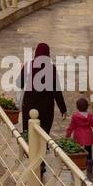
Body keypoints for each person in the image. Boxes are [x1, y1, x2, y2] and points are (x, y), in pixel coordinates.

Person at [18, 42, 67, 176]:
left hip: (29, 107)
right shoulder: (51, 69)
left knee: (30, 135)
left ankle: (33, 163)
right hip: (46, 110)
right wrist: (63, 108)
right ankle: (40, 163)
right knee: (42, 136)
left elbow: (19, 83)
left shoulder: (28, 66)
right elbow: (57, 91)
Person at [66, 96, 93, 178]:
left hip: (78, 137)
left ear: (77, 107)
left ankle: (77, 166)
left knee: (78, 152)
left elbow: (71, 126)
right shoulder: (90, 116)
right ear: (87, 107)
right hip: (88, 137)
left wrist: (68, 134)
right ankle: (89, 169)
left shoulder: (75, 116)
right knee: (89, 153)